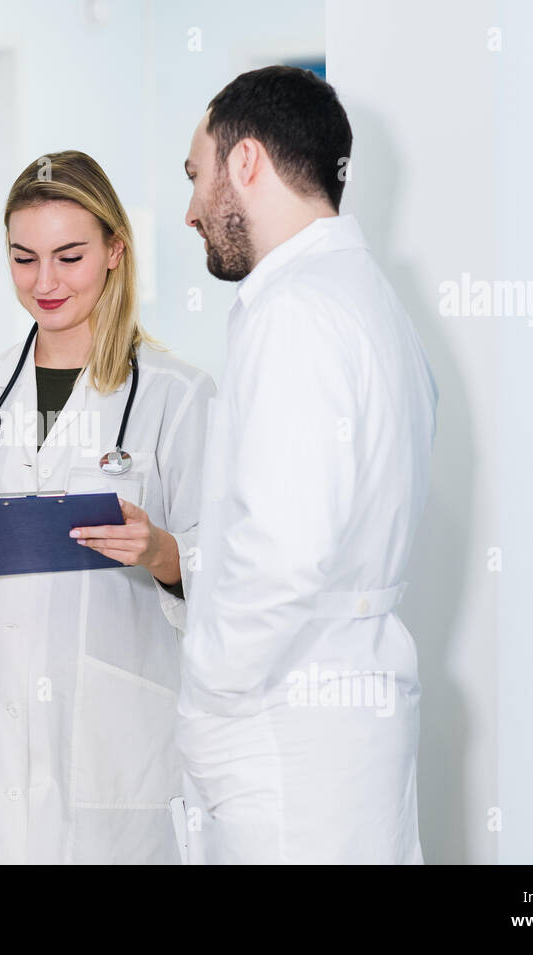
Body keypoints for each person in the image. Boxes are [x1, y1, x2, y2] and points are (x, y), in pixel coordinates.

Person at [0, 150, 215, 864]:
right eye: (23, 258)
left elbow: (229, 570)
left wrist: (162, 551)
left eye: (69, 256)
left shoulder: (179, 396)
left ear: (115, 250)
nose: (44, 282)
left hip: (114, 753)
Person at [177, 67, 439, 864]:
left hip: (284, 725)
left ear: (246, 163)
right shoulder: (371, 301)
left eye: (197, 176)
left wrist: (211, 689)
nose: (191, 211)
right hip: (348, 716)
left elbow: (281, 552)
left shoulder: (293, 311)